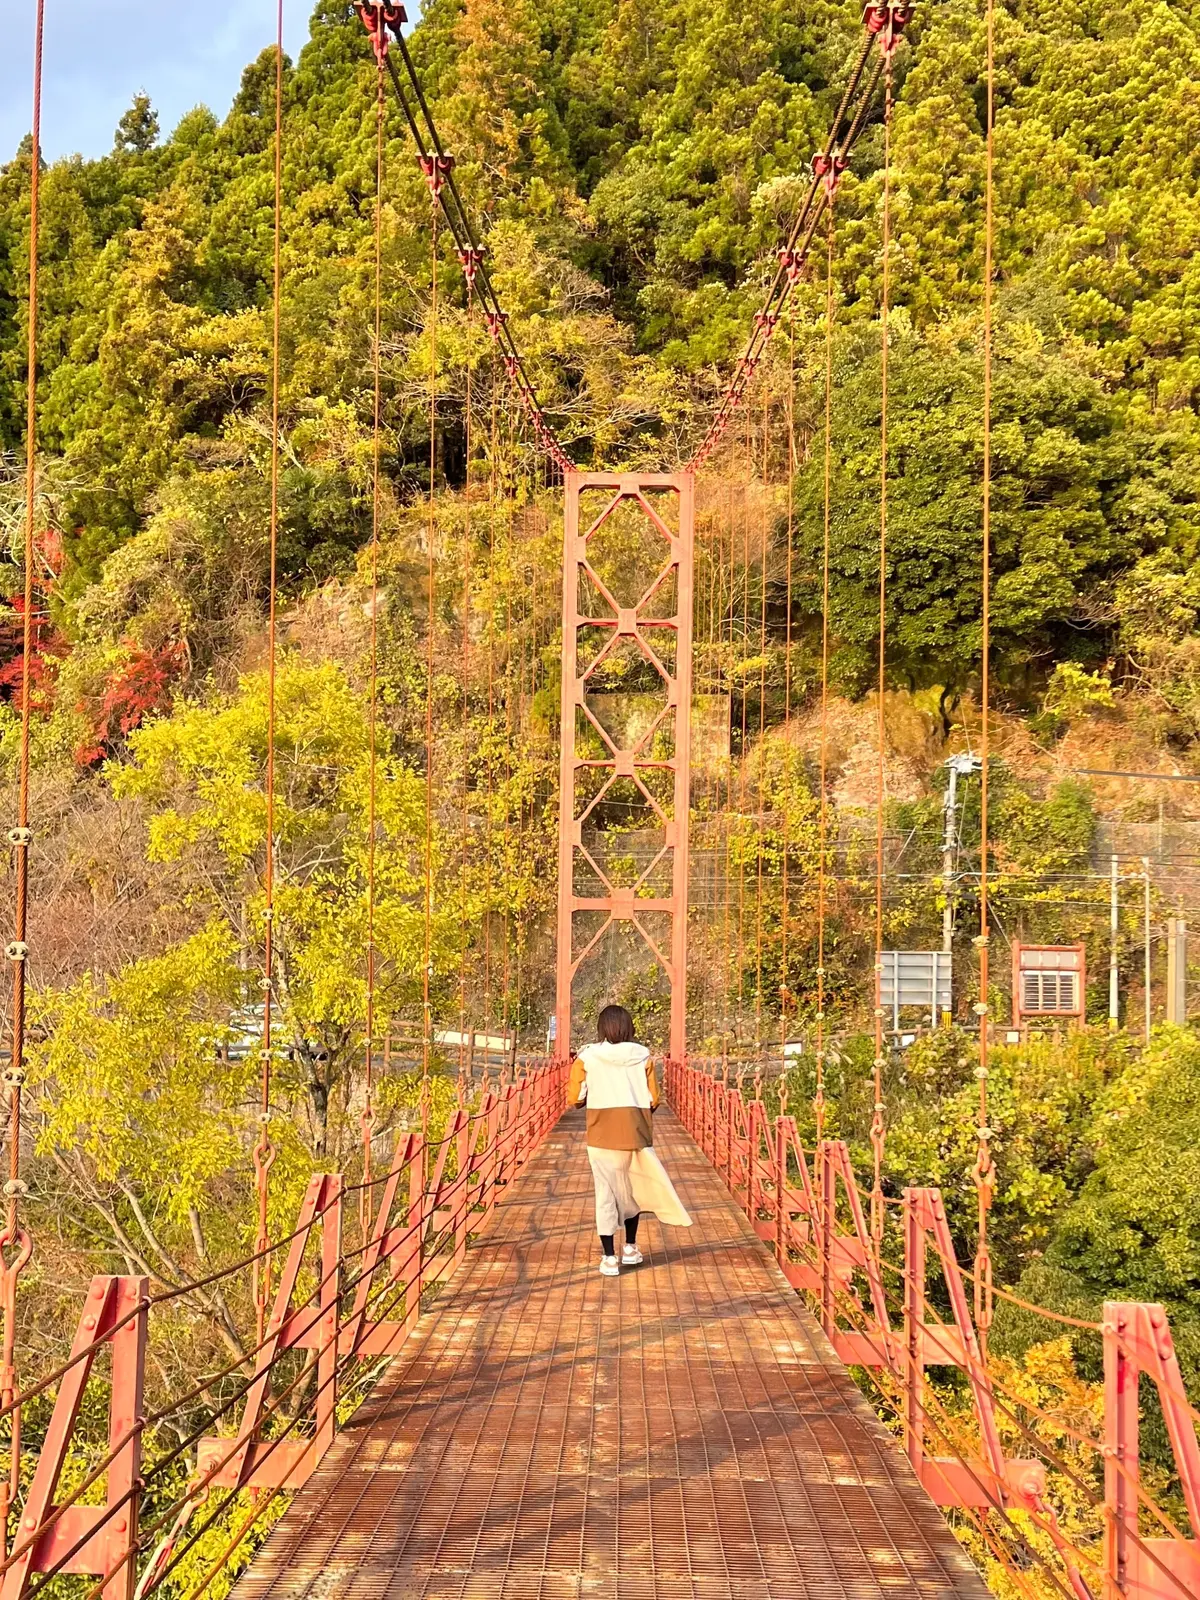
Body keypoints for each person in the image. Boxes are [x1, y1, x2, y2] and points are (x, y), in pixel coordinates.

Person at [566, 1004, 691, 1276]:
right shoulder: (643, 1056)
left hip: (601, 1135)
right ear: (629, 1027)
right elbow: (653, 1099)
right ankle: (631, 1248)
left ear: (601, 1029)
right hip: (636, 1133)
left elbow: (574, 1099)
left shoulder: (587, 1058)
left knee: (606, 1193)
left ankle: (609, 1258)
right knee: (631, 1190)